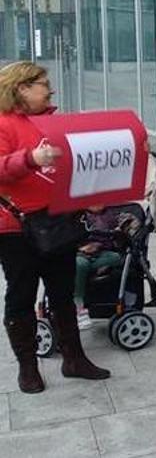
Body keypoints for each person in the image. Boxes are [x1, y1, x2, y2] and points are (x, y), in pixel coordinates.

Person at [0, 61, 111, 394]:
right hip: (14, 228)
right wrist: (31, 158)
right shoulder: (4, 123)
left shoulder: (53, 122)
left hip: (57, 221)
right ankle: (28, 367)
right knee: (21, 295)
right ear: (21, 88)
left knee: (63, 293)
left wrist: (87, 199)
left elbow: (69, 170)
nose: (50, 89)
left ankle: (74, 359)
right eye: (43, 83)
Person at [73, 206, 138, 328]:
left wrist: (122, 228)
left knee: (117, 258)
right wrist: (83, 248)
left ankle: (99, 267)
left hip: (104, 252)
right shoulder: (79, 216)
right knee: (80, 264)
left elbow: (131, 228)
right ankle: (79, 306)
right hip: (82, 253)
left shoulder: (113, 215)